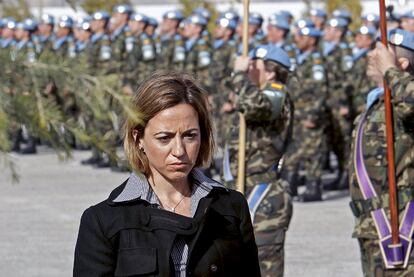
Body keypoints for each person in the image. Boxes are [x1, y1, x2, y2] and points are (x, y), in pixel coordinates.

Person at [73, 71, 261, 277]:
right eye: (164, 138)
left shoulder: (231, 208)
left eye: (190, 136)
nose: (179, 151)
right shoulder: (103, 221)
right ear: (139, 139)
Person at [222, 44, 293, 277]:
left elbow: (256, 107)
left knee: (262, 268)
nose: (247, 67)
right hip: (241, 189)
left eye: (254, 65)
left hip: (264, 197)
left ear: (270, 72)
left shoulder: (276, 92)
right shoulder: (252, 91)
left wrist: (240, 76)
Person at [349, 29, 414, 276]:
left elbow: (410, 101)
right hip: (372, 223)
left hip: (400, 224)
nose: (372, 56)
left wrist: (389, 70)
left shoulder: (403, 102)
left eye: (381, 52)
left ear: (401, 63)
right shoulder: (376, 102)